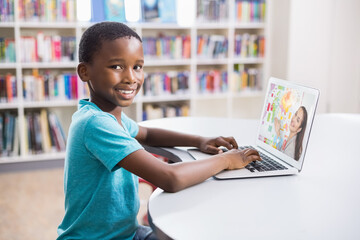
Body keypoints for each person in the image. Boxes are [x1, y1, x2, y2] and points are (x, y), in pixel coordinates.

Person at [57, 22, 261, 240]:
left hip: (126, 232)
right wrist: (227, 160)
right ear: (84, 72)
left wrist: (200, 140)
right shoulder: (95, 123)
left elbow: (147, 134)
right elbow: (169, 178)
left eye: (137, 67)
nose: (131, 78)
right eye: (117, 67)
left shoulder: (108, 116)